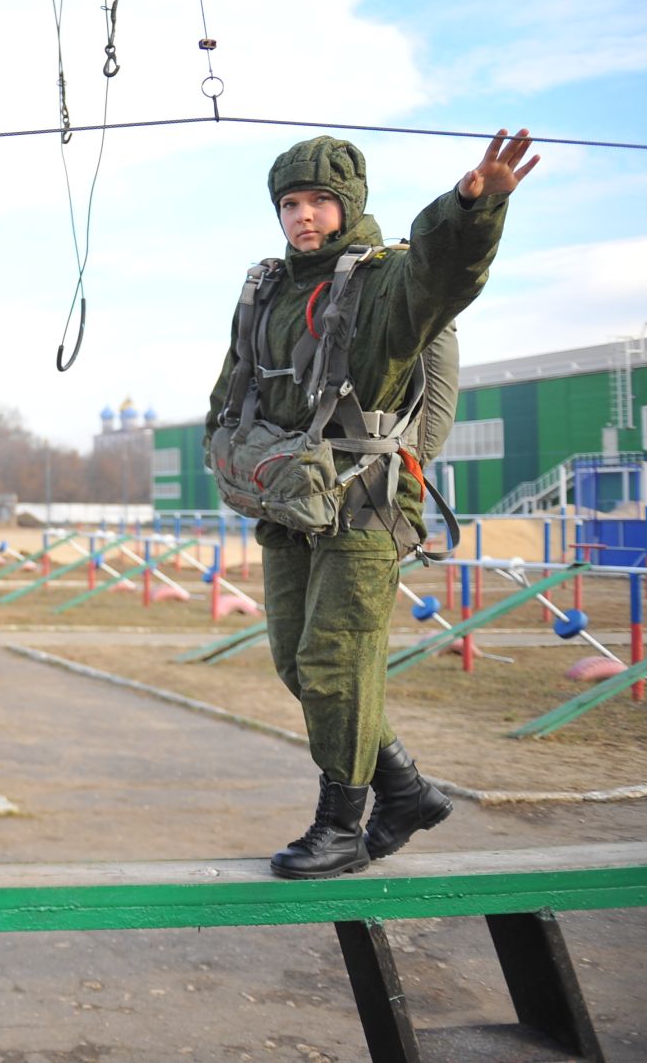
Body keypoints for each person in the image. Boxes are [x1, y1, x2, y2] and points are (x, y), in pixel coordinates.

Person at [207, 129, 538, 880]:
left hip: (366, 502)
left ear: (348, 204)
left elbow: (444, 274)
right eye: (290, 203)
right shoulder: (266, 288)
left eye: (320, 200)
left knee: (336, 659)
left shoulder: (387, 280)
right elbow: (231, 391)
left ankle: (340, 825)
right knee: (298, 663)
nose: (303, 215)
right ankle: (406, 789)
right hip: (288, 502)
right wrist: (231, 455)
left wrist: (471, 209)